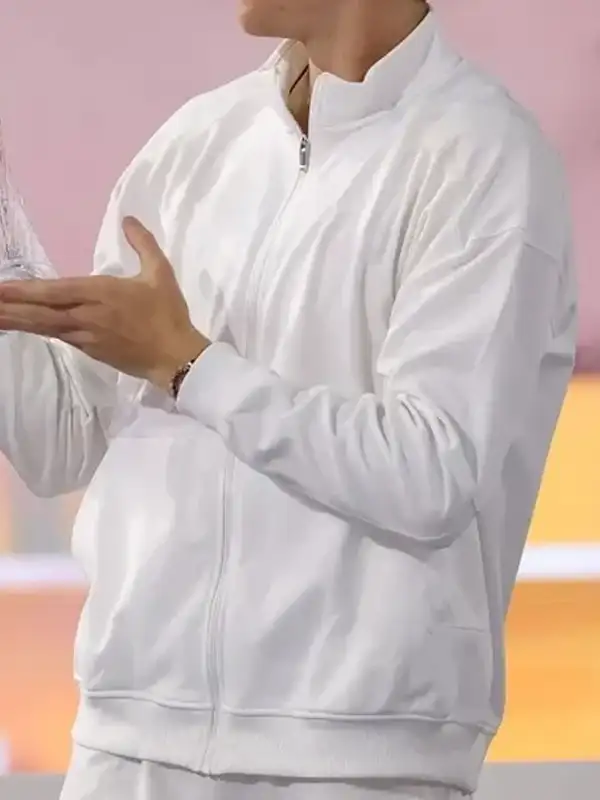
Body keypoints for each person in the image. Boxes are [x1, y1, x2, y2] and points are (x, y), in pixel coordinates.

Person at [0, 0, 576, 798]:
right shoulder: (195, 143)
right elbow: (58, 441)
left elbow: (432, 469)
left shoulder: (485, 158)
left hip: (358, 760)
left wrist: (190, 365)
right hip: (123, 745)